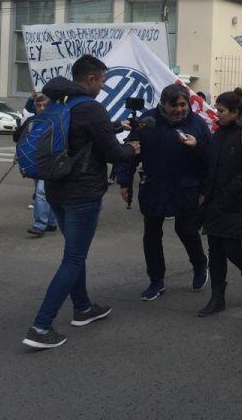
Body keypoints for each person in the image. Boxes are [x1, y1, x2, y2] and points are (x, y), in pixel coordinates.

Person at [22, 55, 139, 350]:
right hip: (83, 194)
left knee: (74, 253)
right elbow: (113, 153)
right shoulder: (92, 107)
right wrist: (133, 147)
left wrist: (113, 126)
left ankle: (83, 308)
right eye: (101, 80)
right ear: (90, 79)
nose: (102, 86)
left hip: (56, 190)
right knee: (73, 258)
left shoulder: (58, 103)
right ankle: (41, 326)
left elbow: (80, 137)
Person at [116, 84, 211, 302]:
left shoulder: (197, 124)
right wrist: (124, 182)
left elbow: (210, 157)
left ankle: (199, 263)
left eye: (183, 105)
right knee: (151, 234)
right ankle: (156, 280)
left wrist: (205, 188)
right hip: (154, 186)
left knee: (186, 229)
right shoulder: (147, 122)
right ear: (162, 104)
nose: (179, 110)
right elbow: (131, 152)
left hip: (186, 187)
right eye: (173, 105)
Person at [198, 90, 242, 316]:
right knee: (215, 248)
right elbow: (211, 162)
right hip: (217, 201)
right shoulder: (220, 132)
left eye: (221, 111)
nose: (217, 114)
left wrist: (230, 190)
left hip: (240, 202)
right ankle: (217, 297)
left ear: (236, 112)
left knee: (231, 247)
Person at [14, 94, 58, 237]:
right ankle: (50, 222)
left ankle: (39, 225)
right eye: (38, 105)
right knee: (47, 192)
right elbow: (19, 139)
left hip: (50, 162)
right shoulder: (32, 121)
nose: (41, 108)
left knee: (41, 192)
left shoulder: (56, 120)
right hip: (35, 162)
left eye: (44, 105)